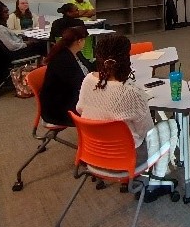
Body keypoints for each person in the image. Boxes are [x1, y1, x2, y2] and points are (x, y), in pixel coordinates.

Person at [76, 35, 178, 202]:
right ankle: (155, 183)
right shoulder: (131, 92)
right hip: (126, 159)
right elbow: (147, 131)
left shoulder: (88, 81)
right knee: (171, 126)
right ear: (126, 58)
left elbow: (80, 109)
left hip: (92, 155)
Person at [39, 26, 94, 127]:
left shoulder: (75, 53)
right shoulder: (62, 59)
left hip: (70, 98)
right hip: (58, 110)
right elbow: (78, 84)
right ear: (79, 41)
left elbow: (89, 68)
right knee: (102, 108)